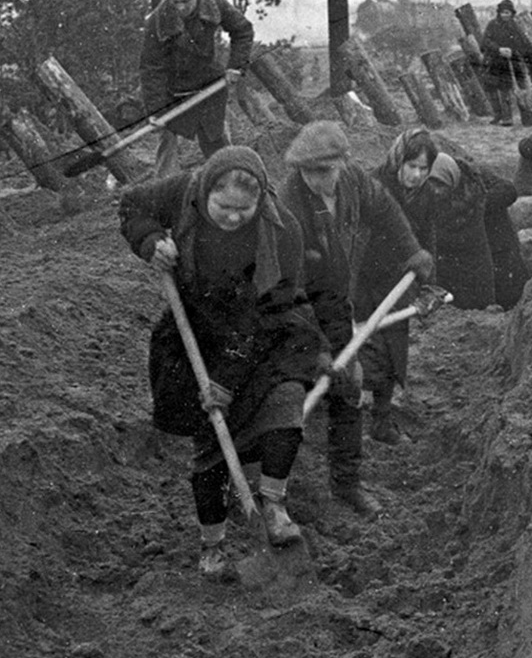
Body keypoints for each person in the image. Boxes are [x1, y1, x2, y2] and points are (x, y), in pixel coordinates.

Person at [120, 146, 329, 574]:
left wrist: (228, 377)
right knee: (211, 437)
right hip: (197, 328)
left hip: (265, 331)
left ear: (260, 201)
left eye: (244, 210)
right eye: (224, 207)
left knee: (285, 401)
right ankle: (212, 549)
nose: (234, 218)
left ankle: (272, 504)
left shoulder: (282, 230)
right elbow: (132, 204)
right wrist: (149, 240)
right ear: (206, 191)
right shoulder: (182, 191)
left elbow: (266, 315)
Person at [279, 121, 434, 517]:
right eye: (310, 173)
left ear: (342, 164)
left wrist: (412, 250)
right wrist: (316, 348)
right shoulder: (288, 206)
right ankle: (272, 490)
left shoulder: (354, 184)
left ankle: (346, 485)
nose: (318, 181)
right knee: (285, 395)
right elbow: (288, 290)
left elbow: (384, 207)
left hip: (335, 302)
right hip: (292, 310)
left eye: (325, 171)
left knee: (349, 383)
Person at [361, 128, 441, 444]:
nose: (417, 175)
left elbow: (428, 239)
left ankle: (381, 421)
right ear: (398, 161)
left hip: (399, 282)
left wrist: (429, 284)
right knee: (365, 346)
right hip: (365, 278)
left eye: (424, 169)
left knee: (393, 350)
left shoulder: (427, 196)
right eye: (412, 166)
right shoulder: (375, 185)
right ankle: (352, 418)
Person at [139, 0, 255, 177]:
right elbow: (151, 68)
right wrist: (156, 111)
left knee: (217, 139)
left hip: (210, 86)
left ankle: (229, 179)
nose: (180, 8)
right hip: (173, 93)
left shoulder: (214, 4)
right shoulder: (157, 20)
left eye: (186, 2)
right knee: (167, 145)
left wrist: (235, 66)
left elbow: (243, 30)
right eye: (175, 2)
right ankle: (165, 191)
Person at [426, 145, 530, 310]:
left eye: (440, 185)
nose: (436, 192)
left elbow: (508, 191)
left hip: (498, 246)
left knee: (510, 295)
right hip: (469, 258)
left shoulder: (475, 177)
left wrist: (477, 207)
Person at [479, 0, 532, 126]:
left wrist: (513, 51)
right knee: (494, 89)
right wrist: (499, 49)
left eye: (508, 13)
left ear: (512, 14)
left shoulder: (515, 26)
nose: (505, 15)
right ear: (499, 13)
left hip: (512, 63)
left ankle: (517, 117)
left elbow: (523, 43)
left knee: (514, 90)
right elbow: (484, 43)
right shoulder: (492, 25)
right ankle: (500, 116)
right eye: (503, 12)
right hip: (494, 62)